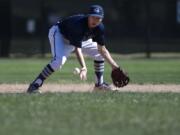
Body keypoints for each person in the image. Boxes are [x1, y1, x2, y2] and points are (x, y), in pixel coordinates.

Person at [27, 5, 121, 93]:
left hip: (80, 39)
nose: (95, 20)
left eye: (98, 18)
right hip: (60, 35)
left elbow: (102, 50)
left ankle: (99, 86)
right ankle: (35, 85)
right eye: (93, 17)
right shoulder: (78, 25)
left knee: (99, 54)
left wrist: (115, 67)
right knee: (58, 61)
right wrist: (83, 67)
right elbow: (77, 49)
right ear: (88, 16)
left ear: (101, 19)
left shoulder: (100, 28)